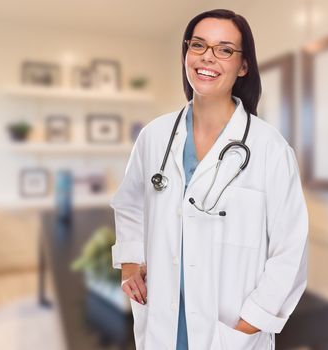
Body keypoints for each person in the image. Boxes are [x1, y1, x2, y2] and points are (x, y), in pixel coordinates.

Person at [110, 9, 308, 350]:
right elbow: (129, 205)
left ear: (243, 66)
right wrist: (129, 264)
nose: (208, 57)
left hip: (230, 330)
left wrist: (249, 326)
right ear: (186, 53)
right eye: (198, 45)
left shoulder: (270, 148)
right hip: (162, 322)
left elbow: (290, 250)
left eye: (225, 49)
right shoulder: (155, 136)